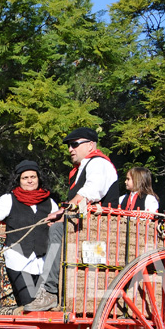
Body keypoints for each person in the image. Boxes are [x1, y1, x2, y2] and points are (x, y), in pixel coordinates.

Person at [24, 128, 120, 312]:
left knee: (57, 230)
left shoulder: (99, 163)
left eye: (75, 144)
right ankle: (47, 290)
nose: (70, 149)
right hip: (85, 229)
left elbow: (91, 192)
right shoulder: (80, 169)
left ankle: (50, 292)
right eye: (69, 145)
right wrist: (61, 215)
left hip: (101, 232)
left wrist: (62, 214)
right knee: (51, 228)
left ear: (91, 145)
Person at [0, 160, 59, 306]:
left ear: (39, 178)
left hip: (42, 261)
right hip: (18, 259)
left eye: (33, 177)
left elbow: (59, 223)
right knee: (29, 300)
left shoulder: (50, 202)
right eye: (25, 178)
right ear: (18, 180)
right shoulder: (9, 199)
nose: (30, 180)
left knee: (43, 304)